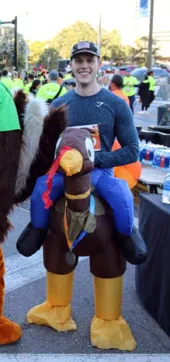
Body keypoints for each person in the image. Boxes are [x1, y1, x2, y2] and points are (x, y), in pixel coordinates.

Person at [25, 41, 146, 265]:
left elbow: (132, 150)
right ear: (71, 65)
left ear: (99, 64)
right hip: (64, 174)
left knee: (121, 193)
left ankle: (128, 234)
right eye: (79, 61)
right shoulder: (59, 104)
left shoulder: (116, 104)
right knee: (42, 187)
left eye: (90, 60)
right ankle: (37, 228)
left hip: (100, 174)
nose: (84, 66)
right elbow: (46, 148)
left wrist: (91, 160)